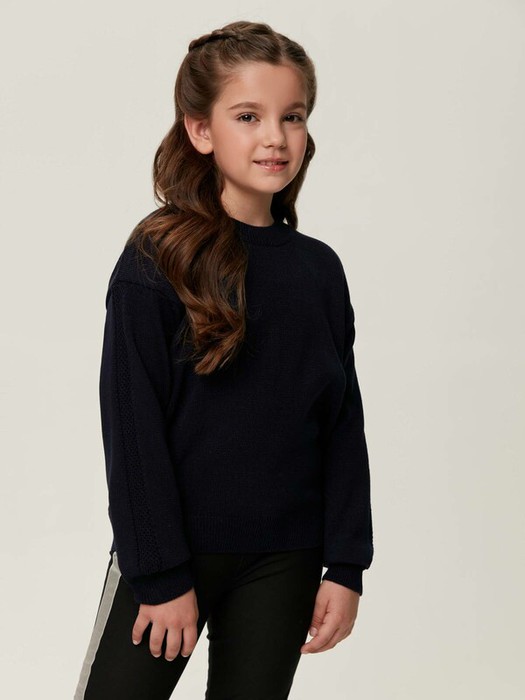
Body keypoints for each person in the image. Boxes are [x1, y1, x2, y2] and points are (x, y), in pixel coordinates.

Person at [74, 19, 374, 700]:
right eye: (248, 116)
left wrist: (345, 565)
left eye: (292, 116)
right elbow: (132, 425)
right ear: (200, 130)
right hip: (171, 554)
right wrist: (159, 575)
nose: (275, 137)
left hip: (285, 559)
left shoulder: (318, 271)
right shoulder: (158, 258)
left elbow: (340, 423)